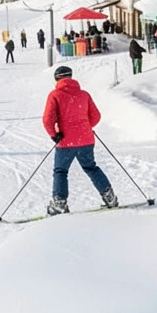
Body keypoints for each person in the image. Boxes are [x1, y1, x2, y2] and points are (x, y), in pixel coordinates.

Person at [42, 67, 117, 215]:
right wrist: (84, 127)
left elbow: (47, 119)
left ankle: (60, 203)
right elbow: (96, 116)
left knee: (61, 171)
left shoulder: (55, 95)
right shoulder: (84, 94)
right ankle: (109, 197)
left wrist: (54, 134)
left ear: (57, 79)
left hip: (65, 141)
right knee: (91, 167)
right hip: (86, 140)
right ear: (71, 77)